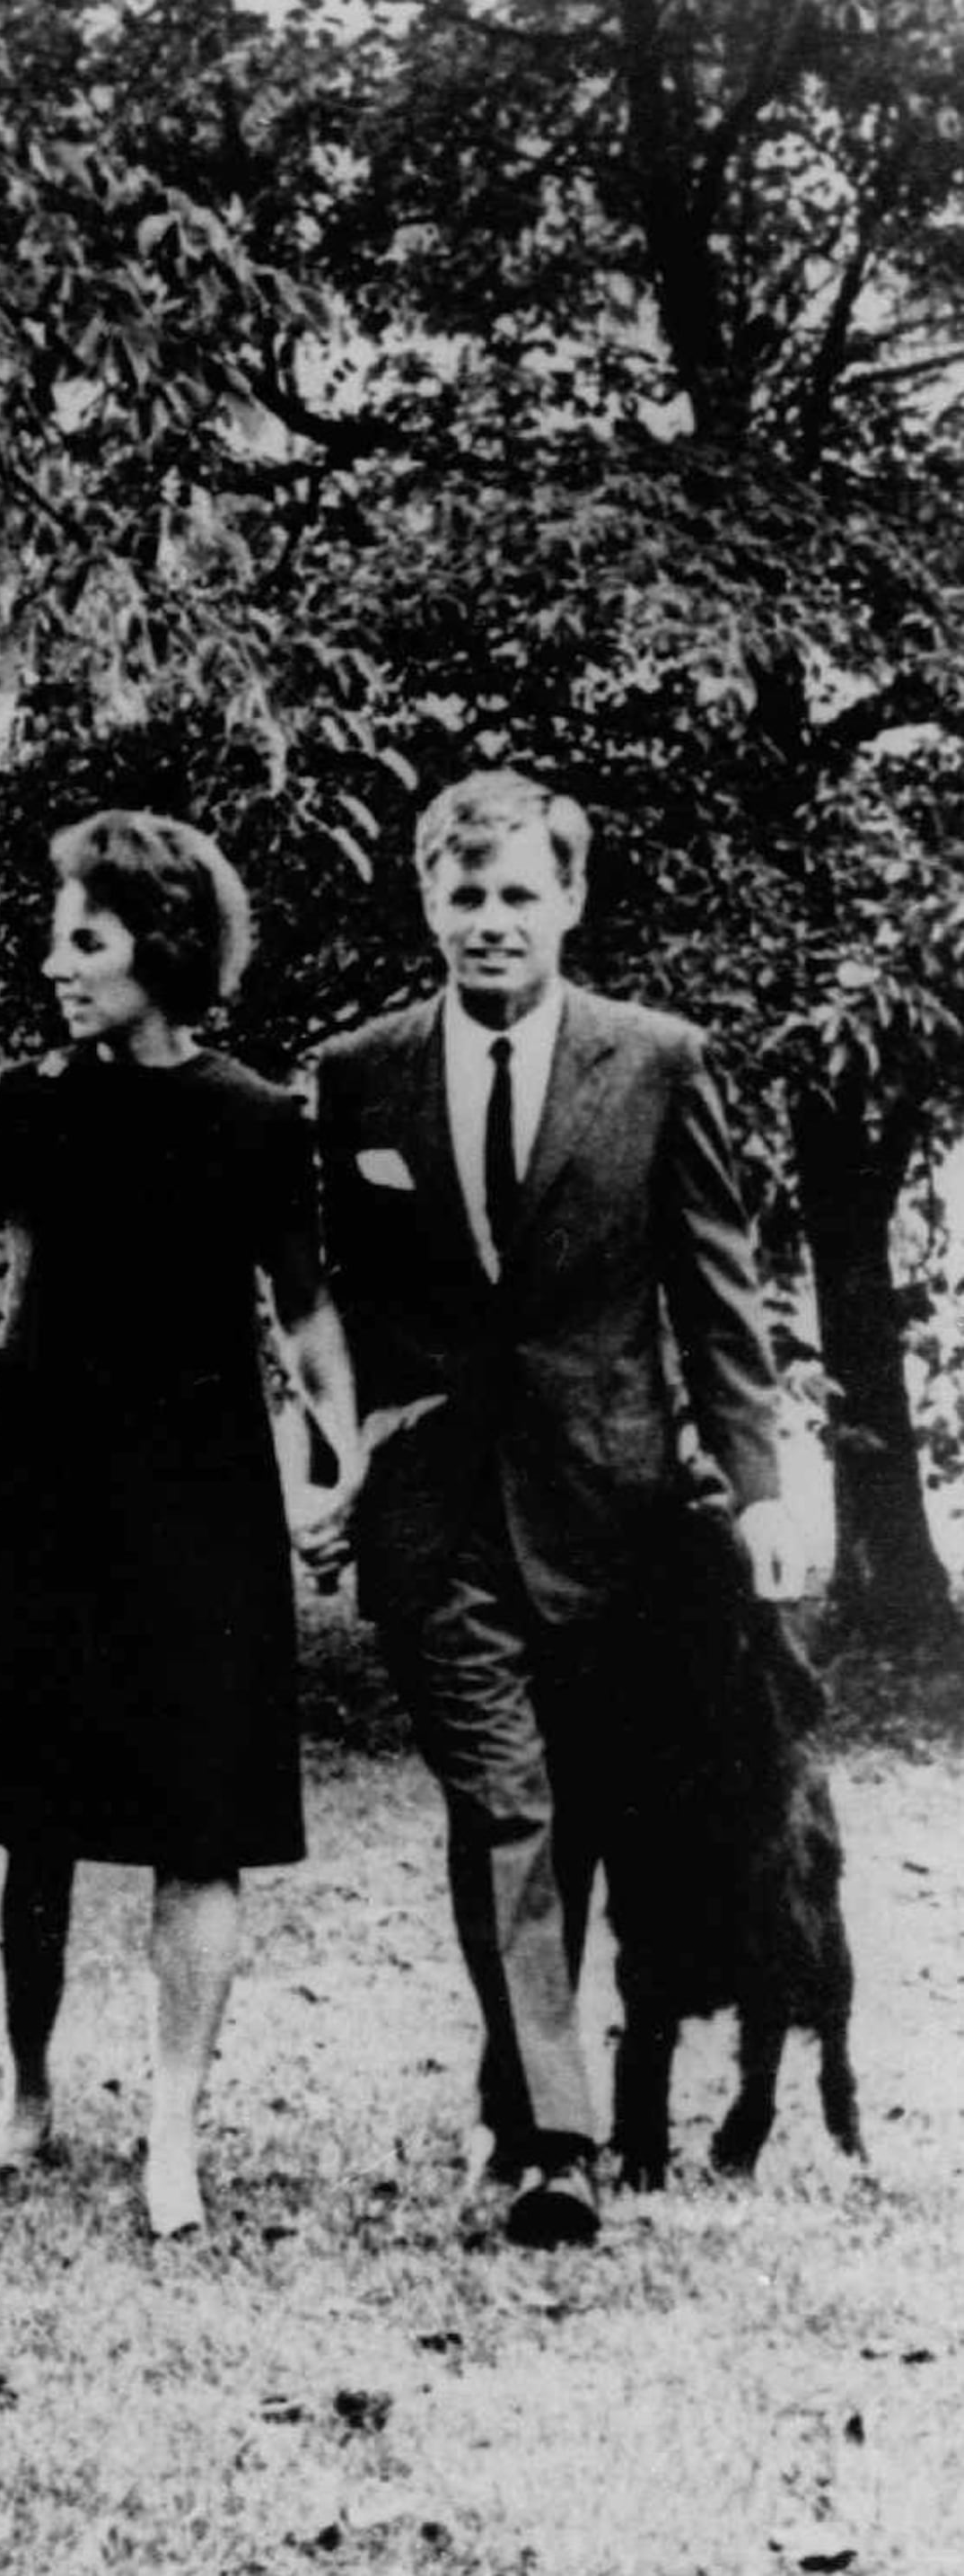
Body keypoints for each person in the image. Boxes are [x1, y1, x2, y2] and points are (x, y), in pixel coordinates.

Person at [314, 768, 803, 2250]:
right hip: (437, 1512)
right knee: (505, 1802)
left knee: (576, 1810)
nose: (492, 920)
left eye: (520, 892)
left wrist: (762, 1488)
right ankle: (559, 2147)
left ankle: (512, 2093)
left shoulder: (657, 1063)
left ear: (570, 900)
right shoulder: (360, 1074)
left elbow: (718, 1299)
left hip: (615, 1510)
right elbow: (332, 1302)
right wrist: (336, 1457)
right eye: (464, 893)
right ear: (427, 901)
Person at [0, 813, 362, 2239]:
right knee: (27, 1818)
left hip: (203, 1499)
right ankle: (25, 2088)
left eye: (82, 939)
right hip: (35, 1483)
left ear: (161, 946)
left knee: (200, 1824)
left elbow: (307, 1312)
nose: (56, 964)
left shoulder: (258, 1118)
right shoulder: (23, 1103)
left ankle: (173, 2127)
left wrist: (339, 1462)